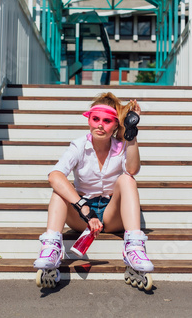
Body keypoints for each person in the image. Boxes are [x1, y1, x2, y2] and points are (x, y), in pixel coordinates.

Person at [33, 92, 154, 274]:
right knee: (60, 187)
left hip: (112, 215)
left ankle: (134, 247)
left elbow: (132, 169)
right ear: (88, 119)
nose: (100, 125)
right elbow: (54, 176)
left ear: (115, 125)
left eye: (107, 121)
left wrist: (132, 135)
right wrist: (83, 207)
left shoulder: (121, 147)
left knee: (127, 179)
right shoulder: (79, 146)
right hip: (81, 214)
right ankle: (51, 248)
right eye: (95, 118)